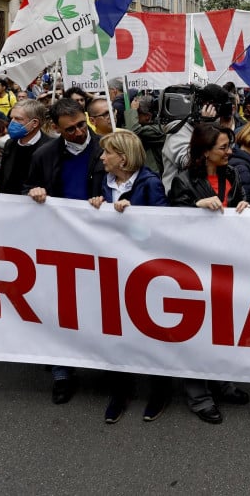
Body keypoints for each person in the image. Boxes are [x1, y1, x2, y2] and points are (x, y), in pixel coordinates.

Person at [26, 98, 107, 406]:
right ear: (54, 129)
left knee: (102, 306)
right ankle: (62, 371)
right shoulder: (44, 155)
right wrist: (33, 192)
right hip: (59, 244)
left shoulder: (106, 148)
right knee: (61, 309)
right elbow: (26, 188)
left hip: (100, 243)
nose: (78, 133)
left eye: (81, 125)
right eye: (70, 129)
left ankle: (110, 366)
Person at [168, 124, 250, 423]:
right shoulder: (184, 181)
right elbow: (170, 222)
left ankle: (221, 383)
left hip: (226, 265)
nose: (230, 152)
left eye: (229, 146)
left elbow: (241, 204)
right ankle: (199, 397)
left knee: (221, 330)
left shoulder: (232, 175)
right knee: (196, 331)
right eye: (224, 147)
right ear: (205, 152)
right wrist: (194, 206)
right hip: (195, 269)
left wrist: (245, 205)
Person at [85, 131, 169, 423]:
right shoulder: (101, 180)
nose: (102, 157)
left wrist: (134, 216)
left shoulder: (150, 183)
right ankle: (120, 390)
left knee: (152, 331)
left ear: (123, 157)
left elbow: (162, 229)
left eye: (107, 152)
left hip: (143, 272)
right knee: (115, 330)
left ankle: (159, 389)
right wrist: (95, 206)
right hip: (110, 268)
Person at [0, 100, 52, 196]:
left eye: (18, 119)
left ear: (34, 123)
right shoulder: (10, 144)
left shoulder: (51, 148)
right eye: (12, 118)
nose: (12, 123)